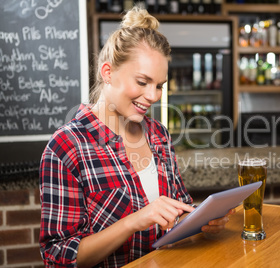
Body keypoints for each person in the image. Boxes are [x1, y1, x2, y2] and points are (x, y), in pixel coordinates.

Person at [39, 5, 234, 268]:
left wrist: (200, 220)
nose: (153, 96)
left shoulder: (158, 134)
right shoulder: (66, 147)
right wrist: (134, 221)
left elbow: (177, 212)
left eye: (159, 86)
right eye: (142, 82)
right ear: (107, 73)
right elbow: (58, 257)